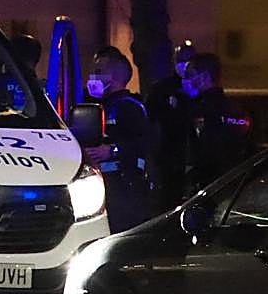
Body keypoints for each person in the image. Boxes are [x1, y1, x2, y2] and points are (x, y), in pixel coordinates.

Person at [81, 46, 152, 233]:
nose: (92, 77)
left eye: (98, 72)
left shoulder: (131, 107)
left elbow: (145, 144)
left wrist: (113, 150)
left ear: (114, 76)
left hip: (124, 189)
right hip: (99, 186)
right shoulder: (95, 107)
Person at [182, 52, 250, 195]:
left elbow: (200, 151)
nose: (187, 80)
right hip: (233, 183)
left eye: (190, 75)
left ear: (204, 77)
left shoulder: (199, 109)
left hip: (207, 186)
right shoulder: (235, 108)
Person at [146, 42, 195, 211]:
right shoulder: (161, 89)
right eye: (181, 59)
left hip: (191, 158)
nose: (184, 64)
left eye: (189, 59)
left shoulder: (197, 91)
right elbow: (150, 121)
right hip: (166, 157)